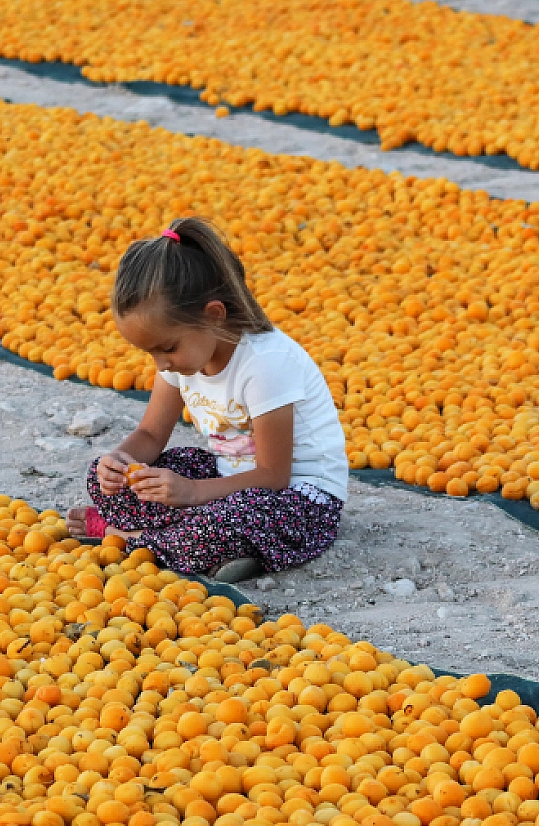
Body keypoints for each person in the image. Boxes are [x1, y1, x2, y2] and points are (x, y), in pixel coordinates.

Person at [65, 216, 347, 582]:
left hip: (298, 500)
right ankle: (200, 545)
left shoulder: (266, 364)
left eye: (167, 348)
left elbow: (273, 476)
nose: (161, 364)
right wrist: (119, 462)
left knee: (228, 519)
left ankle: (124, 537)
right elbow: (151, 434)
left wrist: (192, 492)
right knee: (105, 477)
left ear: (213, 315)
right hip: (225, 482)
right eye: (152, 354)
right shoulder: (181, 359)